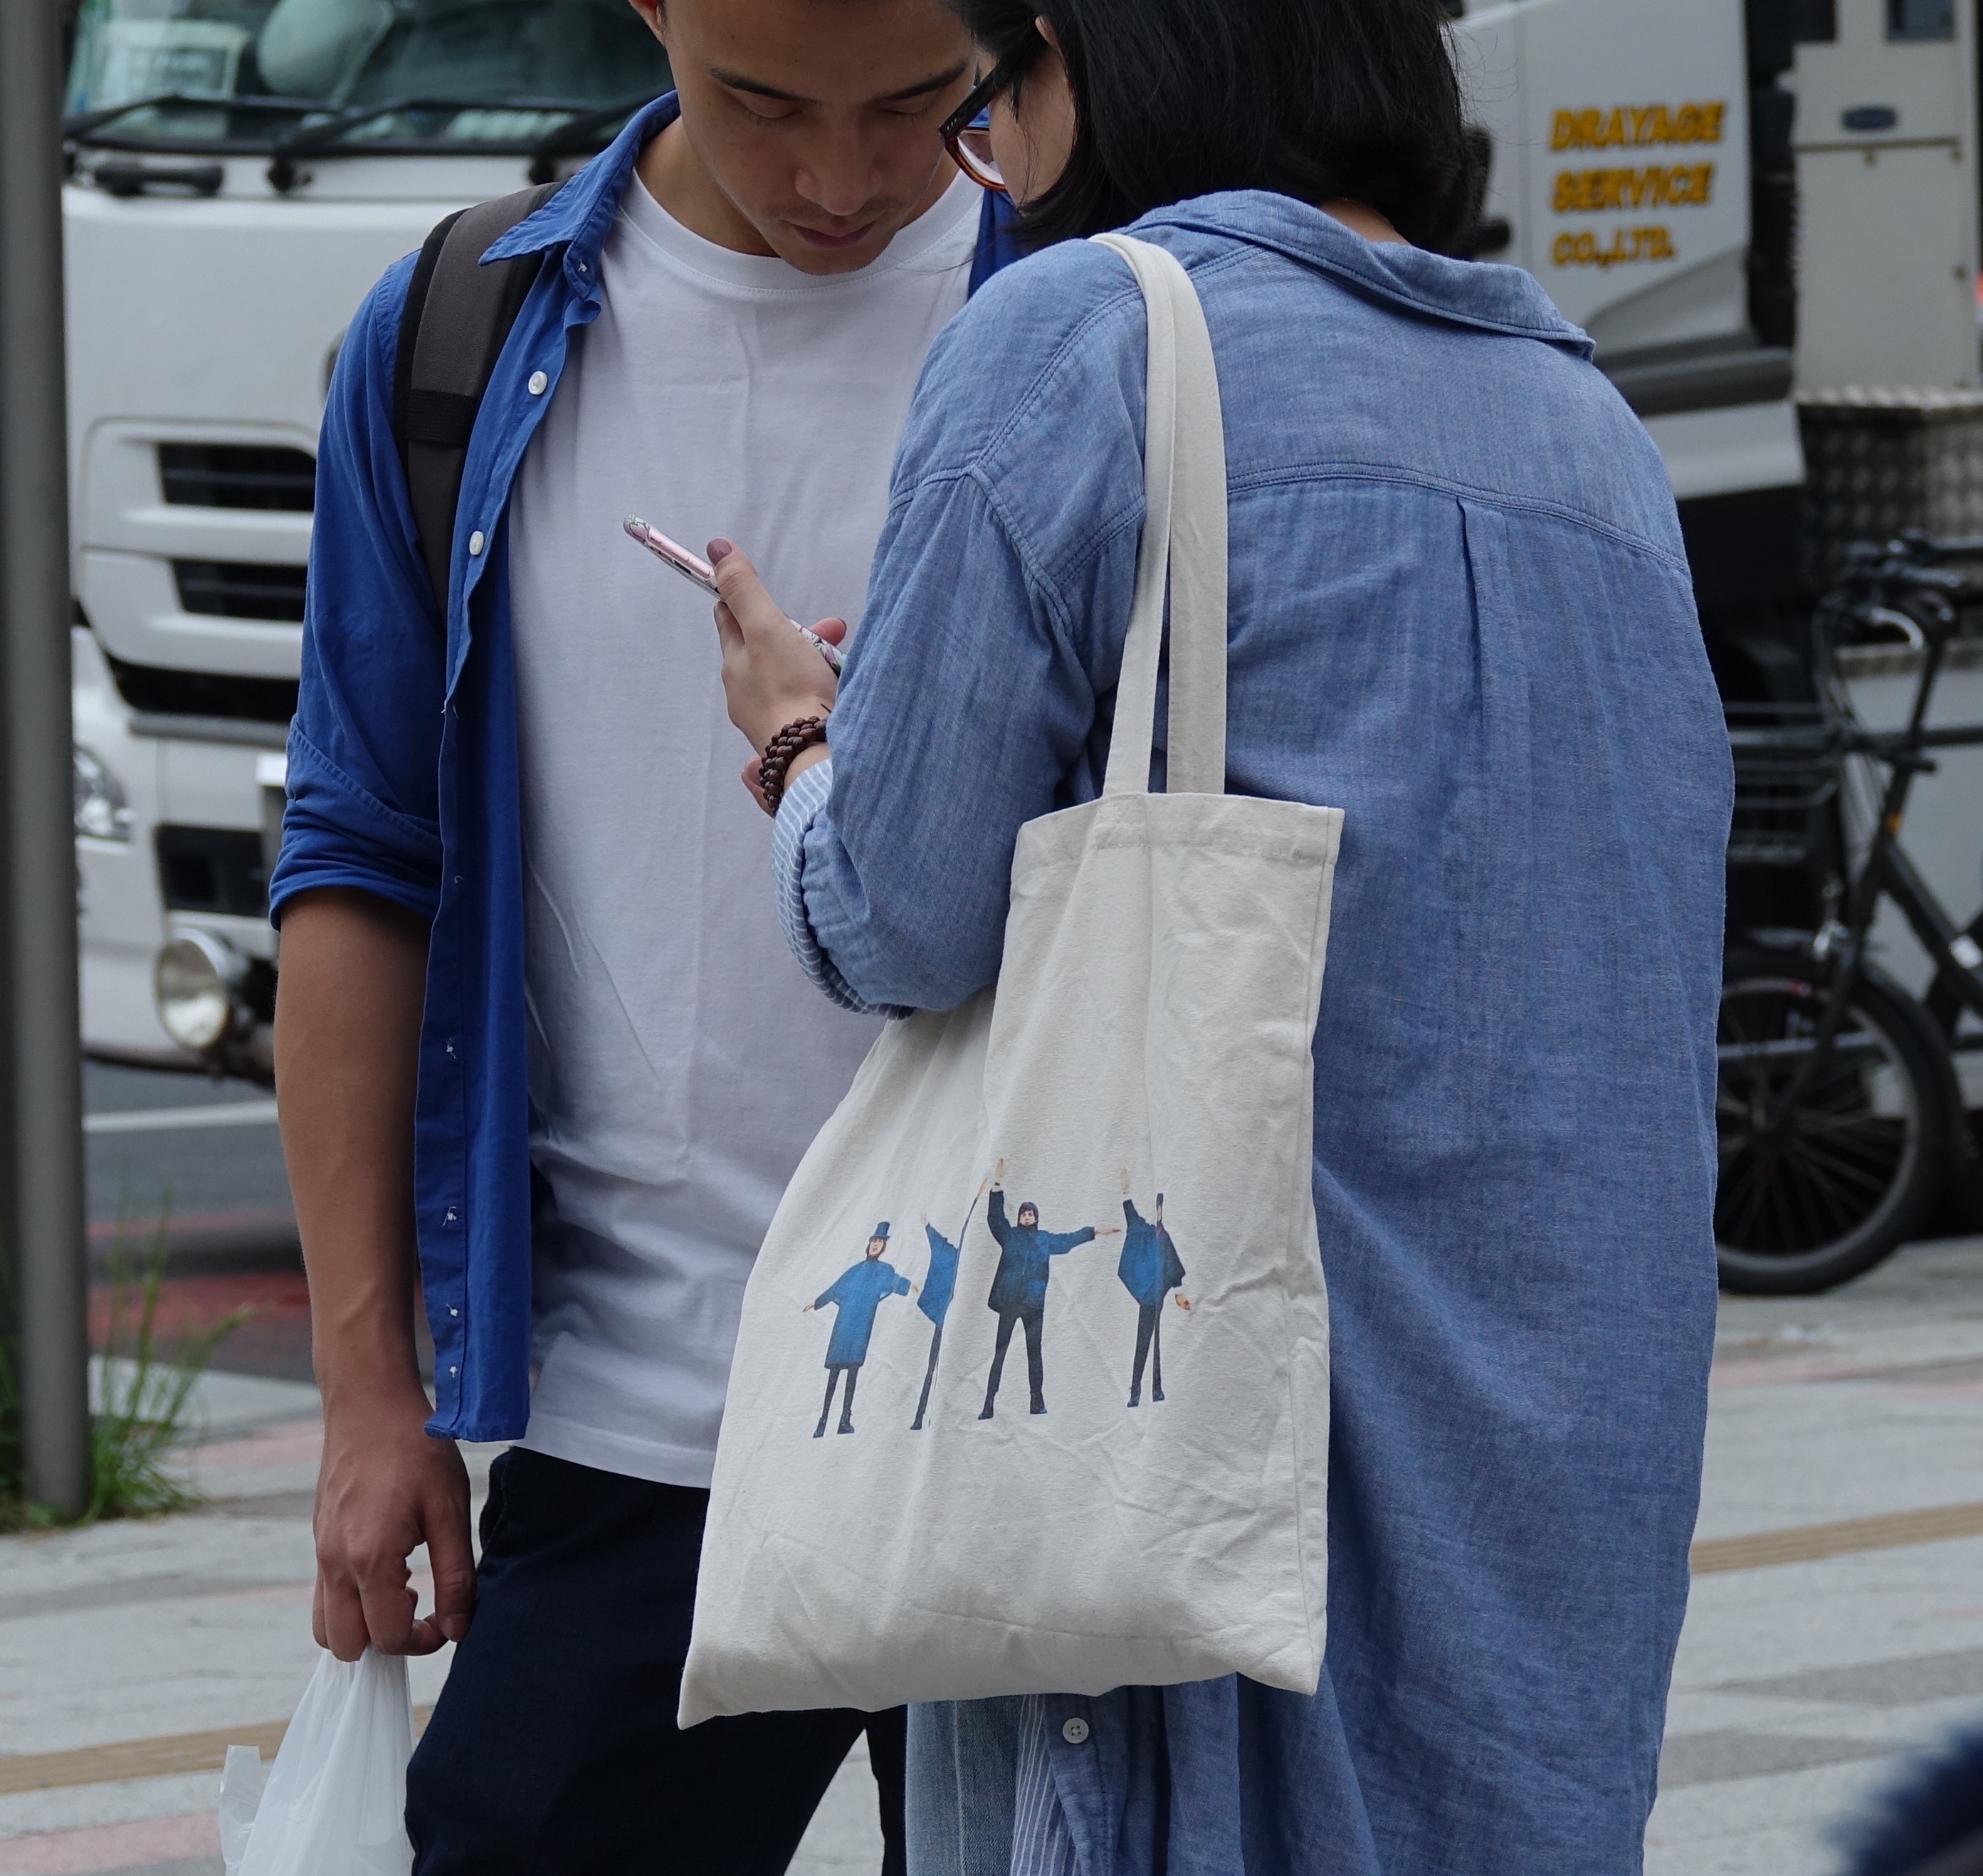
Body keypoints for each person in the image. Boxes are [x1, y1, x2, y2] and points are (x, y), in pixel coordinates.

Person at [710, 0, 1731, 1865]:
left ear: (1082, 57)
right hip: (1549, 1509)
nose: (992, 165)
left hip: (1197, 1472)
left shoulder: (1081, 337)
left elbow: (895, 917)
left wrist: (799, 742)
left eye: (986, 103)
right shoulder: (1589, 429)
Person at [267, 0, 1023, 1867]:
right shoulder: (460, 334)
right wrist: (370, 1396)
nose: (839, 177)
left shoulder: (1093, 310)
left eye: (918, 103)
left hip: (1035, 1404)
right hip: (647, 1410)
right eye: (760, 101)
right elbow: (362, 858)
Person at [978, 1161, 1116, 1419]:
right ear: (1019, 1217)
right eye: (1024, 1213)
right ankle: (989, 1402)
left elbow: (1068, 1240)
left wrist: (1094, 1232)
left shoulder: (1044, 1240)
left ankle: (1037, 1401)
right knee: (1000, 1352)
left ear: (1036, 1218)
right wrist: (997, 1186)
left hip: (1033, 1304)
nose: (1027, 1216)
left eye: (1031, 1214)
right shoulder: (1010, 1236)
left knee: (1035, 1353)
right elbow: (994, 1219)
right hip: (1010, 1302)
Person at [806, 1223, 911, 1436]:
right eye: (874, 1241)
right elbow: (834, 1289)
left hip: (861, 1328)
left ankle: (844, 1420)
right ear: (869, 1244)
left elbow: (900, 1284)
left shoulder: (885, 1270)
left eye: (880, 1242)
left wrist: (917, 1286)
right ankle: (823, 1421)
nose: (876, 1245)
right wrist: (816, 1303)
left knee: (852, 1373)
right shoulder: (854, 1270)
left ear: (884, 1247)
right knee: (834, 1374)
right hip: (843, 1325)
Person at [1115, 1172, 1187, 1409]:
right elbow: (1130, 1215)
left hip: (1159, 1296)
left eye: (1160, 1209)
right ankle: (1136, 1390)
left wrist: (1178, 1294)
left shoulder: (1164, 1237)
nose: (1158, 1214)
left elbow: (1174, 1268)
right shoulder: (1143, 1231)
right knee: (1142, 1344)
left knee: (1157, 1345)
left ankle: (1157, 1389)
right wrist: (1126, 1193)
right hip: (1147, 1297)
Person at [911, 1215, 966, 1431]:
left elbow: (938, 1241)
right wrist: (926, 1224)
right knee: (934, 1368)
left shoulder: (955, 1256)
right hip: (944, 1321)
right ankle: (921, 1416)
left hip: (950, 1322)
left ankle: (924, 1417)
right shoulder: (954, 1256)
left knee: (939, 1369)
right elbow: (938, 1241)